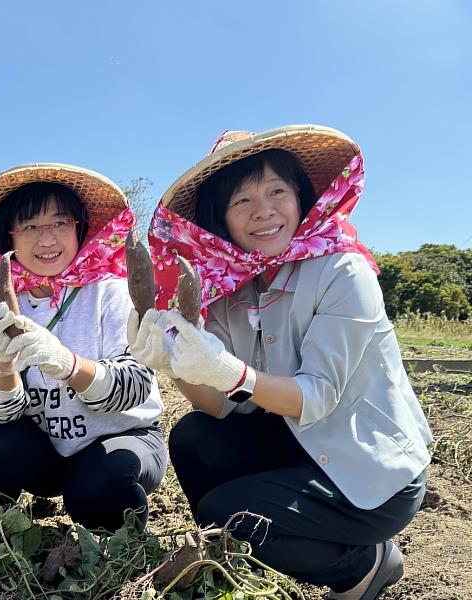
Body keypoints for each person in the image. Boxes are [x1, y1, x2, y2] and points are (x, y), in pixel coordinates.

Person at [128, 126, 432, 599]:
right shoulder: (228, 290)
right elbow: (222, 406)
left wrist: (231, 372)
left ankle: (362, 565)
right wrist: (176, 366)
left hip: (370, 467)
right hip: (298, 444)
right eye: (241, 201)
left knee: (233, 515)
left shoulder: (341, 269)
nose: (263, 210)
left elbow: (317, 394)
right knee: (193, 438)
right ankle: (247, 543)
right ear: (221, 219)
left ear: (300, 199)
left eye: (276, 192)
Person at [0, 164, 166, 531]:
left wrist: (65, 363)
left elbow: (135, 386)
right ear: (10, 237)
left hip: (120, 439)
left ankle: (118, 533)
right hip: (47, 451)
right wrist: (0, 363)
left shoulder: (111, 292)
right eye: (30, 227)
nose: (46, 239)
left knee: (103, 487)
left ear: (79, 228)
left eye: (60, 223)